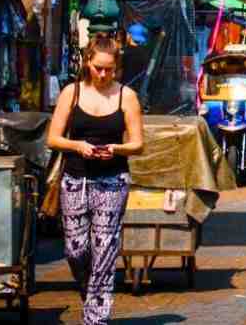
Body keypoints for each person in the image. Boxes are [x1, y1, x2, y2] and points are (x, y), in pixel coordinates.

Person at [47, 35, 145, 325]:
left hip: (112, 180)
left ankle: (95, 318)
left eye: (109, 69)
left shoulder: (127, 96)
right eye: (98, 68)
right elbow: (53, 138)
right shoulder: (71, 93)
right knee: (75, 249)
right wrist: (78, 146)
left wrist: (116, 149)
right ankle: (92, 293)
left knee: (104, 249)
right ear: (87, 62)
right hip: (75, 179)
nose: (103, 74)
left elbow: (138, 144)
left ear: (117, 68)